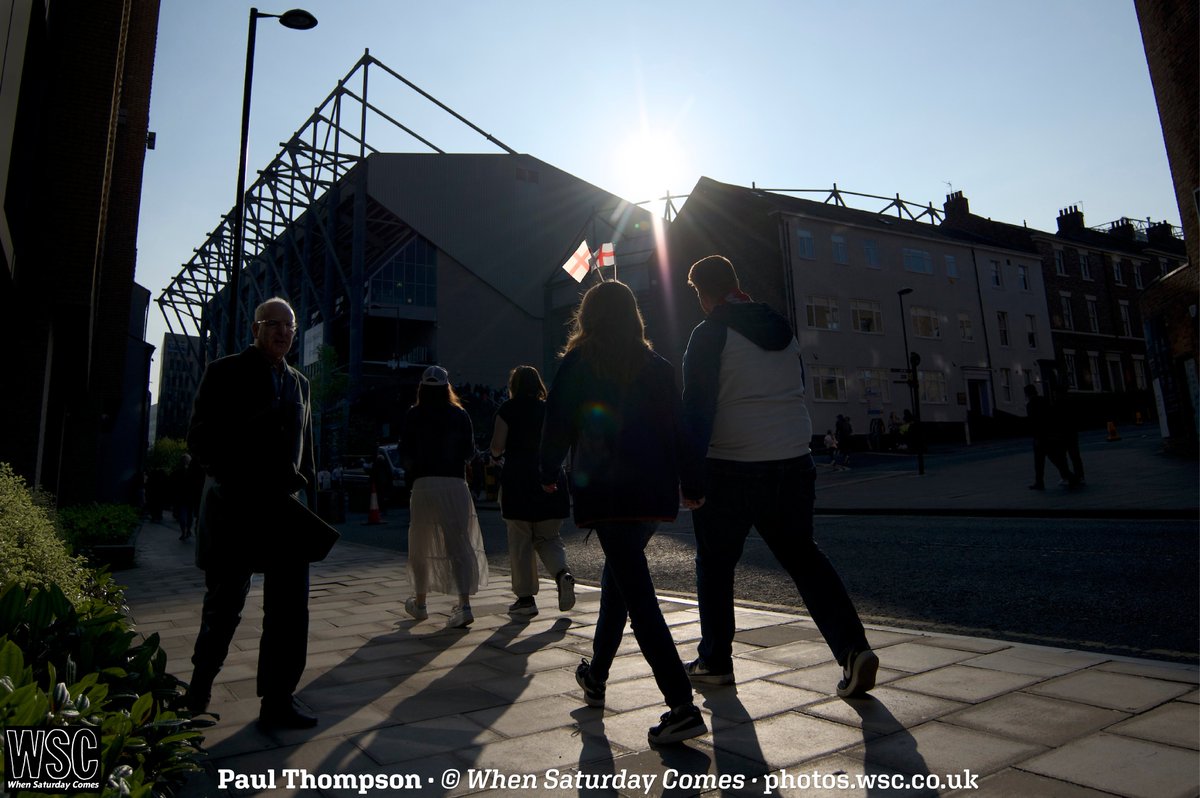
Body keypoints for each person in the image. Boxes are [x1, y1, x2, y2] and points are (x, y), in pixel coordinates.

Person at [682, 255, 878, 699]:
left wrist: (690, 479)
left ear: (704, 291)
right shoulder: (782, 329)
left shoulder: (710, 332)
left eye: (697, 293)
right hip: (793, 462)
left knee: (715, 564)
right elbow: (798, 387)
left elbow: (696, 409)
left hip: (731, 466)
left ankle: (715, 661)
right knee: (803, 558)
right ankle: (853, 648)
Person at [539, 280, 707, 746]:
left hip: (608, 492)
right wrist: (692, 485)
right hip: (653, 494)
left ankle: (681, 705)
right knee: (621, 578)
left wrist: (547, 472)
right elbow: (679, 428)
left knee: (638, 596)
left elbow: (558, 421)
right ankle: (596, 674)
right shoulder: (657, 366)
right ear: (633, 315)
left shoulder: (580, 362)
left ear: (588, 317)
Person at [183, 297, 319, 729]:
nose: (282, 332)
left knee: (290, 610)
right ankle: (198, 691)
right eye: (273, 323)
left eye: (289, 326)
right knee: (223, 605)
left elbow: (307, 452)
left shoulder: (300, 383)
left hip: (284, 514)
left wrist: (307, 499)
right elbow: (200, 439)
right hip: (236, 509)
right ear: (255, 328)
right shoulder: (224, 372)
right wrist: (236, 478)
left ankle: (278, 699)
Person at [401, 365, 489, 629]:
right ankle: (463, 605)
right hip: (454, 483)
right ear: (447, 387)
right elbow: (469, 452)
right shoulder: (460, 415)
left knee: (420, 544)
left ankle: (420, 603)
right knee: (458, 544)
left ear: (422, 389)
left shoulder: (414, 415)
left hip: (424, 484)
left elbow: (405, 453)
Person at [489, 365, 574, 618]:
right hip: (550, 478)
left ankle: (526, 600)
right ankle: (562, 574)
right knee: (549, 537)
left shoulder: (507, 410)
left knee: (520, 541)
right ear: (538, 385)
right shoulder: (550, 409)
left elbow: (496, 447)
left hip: (518, 481)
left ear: (513, 386)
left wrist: (495, 457)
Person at [1025, 384, 1077, 490]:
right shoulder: (1045, 401)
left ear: (1027, 394)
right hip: (1050, 435)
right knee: (1056, 459)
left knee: (1039, 462)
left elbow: (1034, 423)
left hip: (1041, 437)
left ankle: (1040, 482)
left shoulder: (1030, 405)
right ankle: (1070, 476)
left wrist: (1037, 437)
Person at [170, 454, 194, 541]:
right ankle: (187, 531)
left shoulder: (176, 472)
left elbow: (171, 485)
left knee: (183, 516)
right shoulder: (192, 473)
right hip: (188, 498)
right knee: (189, 516)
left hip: (182, 498)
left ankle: (184, 532)